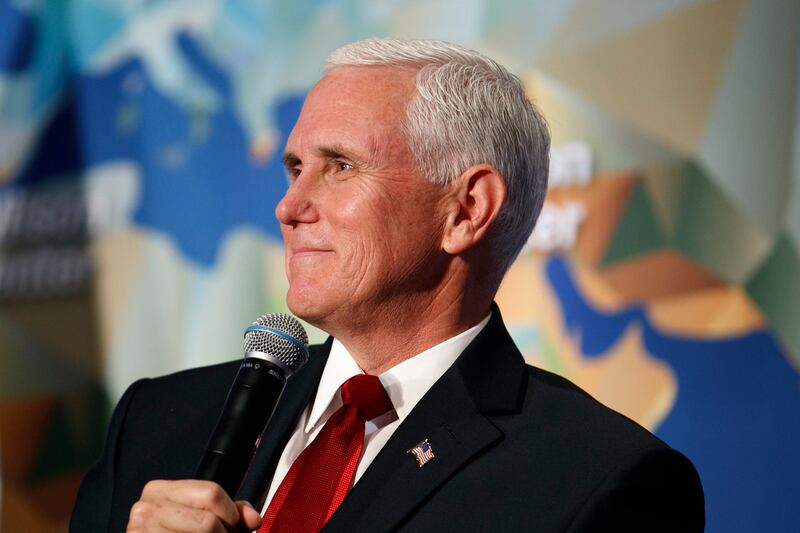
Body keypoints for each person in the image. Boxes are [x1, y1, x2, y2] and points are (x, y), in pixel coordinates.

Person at [71, 38, 704, 532]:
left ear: (466, 211)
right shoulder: (156, 424)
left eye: (340, 166)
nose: (289, 207)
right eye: (295, 168)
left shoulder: (595, 480)